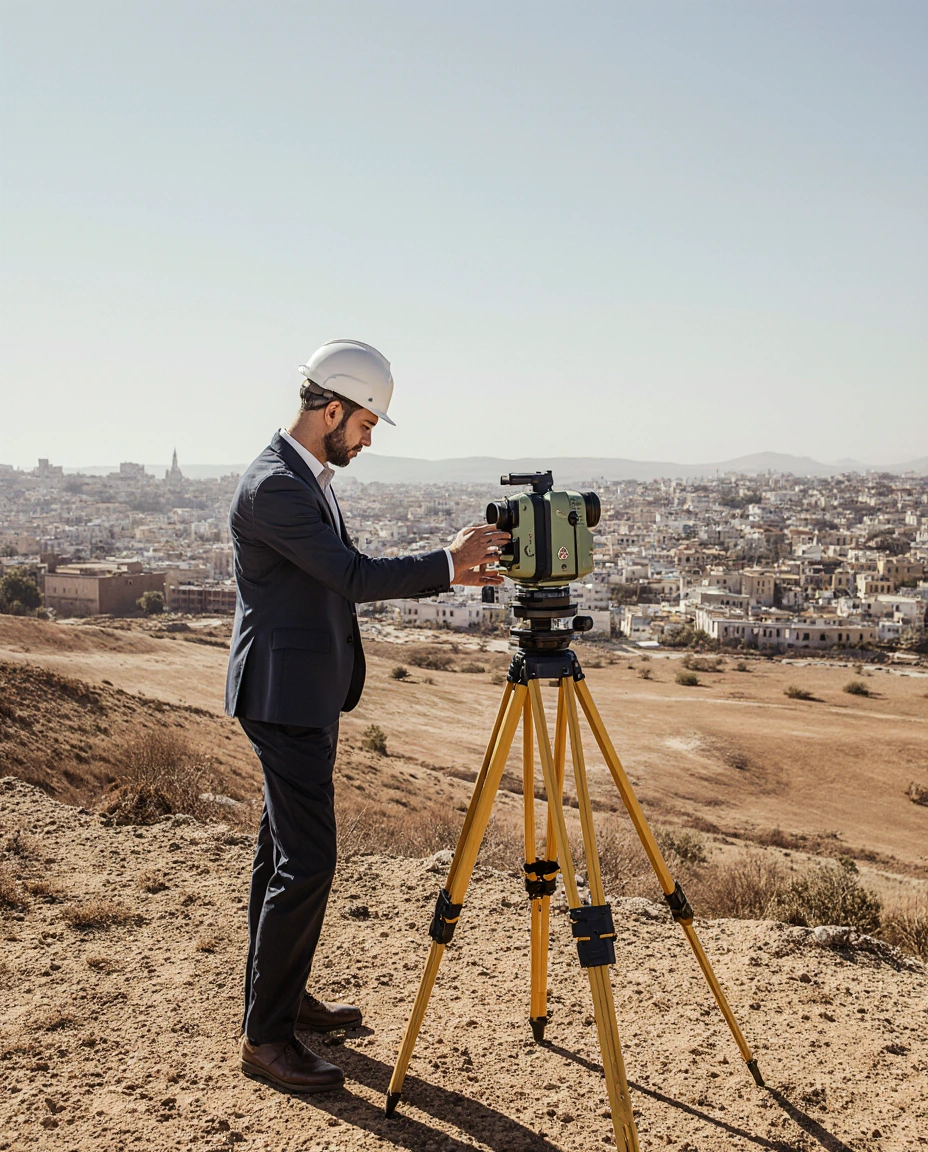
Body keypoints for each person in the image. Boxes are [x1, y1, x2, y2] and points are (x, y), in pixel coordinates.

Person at [225, 339, 509, 1093]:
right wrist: (447, 564)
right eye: (366, 424)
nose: (369, 438)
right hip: (283, 697)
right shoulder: (275, 486)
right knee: (308, 861)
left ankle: (278, 1000)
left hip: (304, 690)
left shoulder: (303, 474)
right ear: (332, 411)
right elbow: (348, 576)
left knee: (278, 855)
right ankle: (265, 1038)